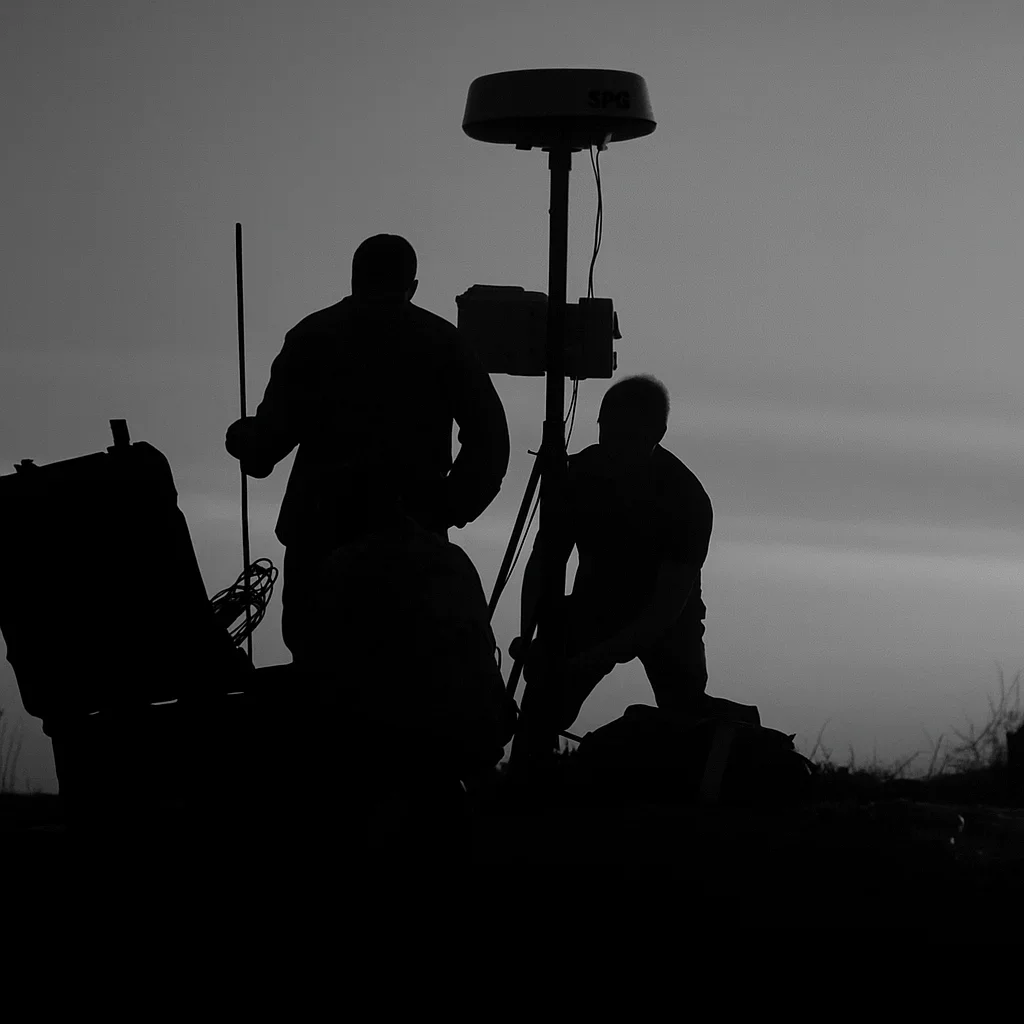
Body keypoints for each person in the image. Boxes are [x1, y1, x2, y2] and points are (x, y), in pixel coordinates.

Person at [224, 233, 511, 670]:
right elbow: (490, 441)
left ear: (354, 278)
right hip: (412, 541)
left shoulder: (312, 336)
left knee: (319, 672)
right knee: (408, 673)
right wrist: (445, 510)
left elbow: (267, 447)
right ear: (412, 285)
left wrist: (243, 438)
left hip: (320, 535)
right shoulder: (444, 341)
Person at [511, 374, 713, 774]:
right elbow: (544, 561)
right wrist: (531, 636)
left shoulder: (686, 499)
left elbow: (666, 608)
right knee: (544, 698)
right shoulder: (578, 476)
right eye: (609, 432)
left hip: (668, 621)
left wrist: (595, 658)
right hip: (594, 606)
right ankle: (525, 784)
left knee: (686, 713)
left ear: (658, 434)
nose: (615, 447)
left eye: (629, 437)